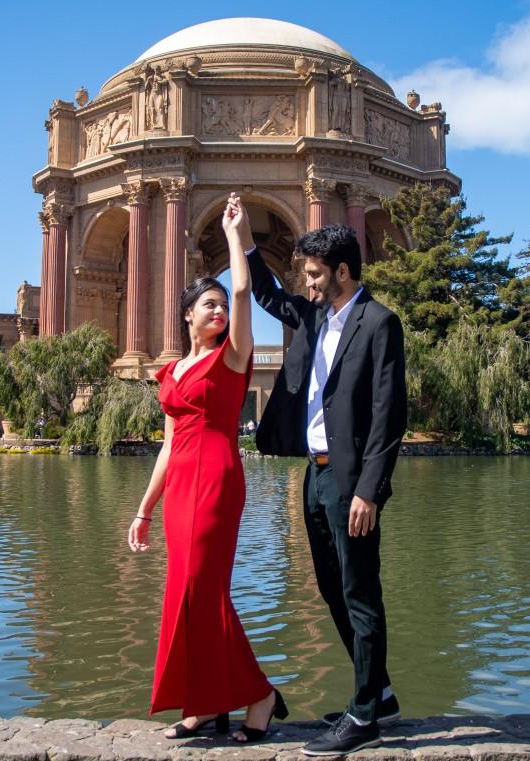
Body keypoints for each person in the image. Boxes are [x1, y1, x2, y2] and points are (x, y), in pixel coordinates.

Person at [128, 193, 287, 743]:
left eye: (222, 306)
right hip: (179, 487)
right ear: (188, 315)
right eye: (209, 305)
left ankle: (260, 695)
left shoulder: (232, 357)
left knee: (204, 588)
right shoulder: (171, 372)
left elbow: (242, 291)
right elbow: (168, 446)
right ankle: (203, 702)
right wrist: (144, 510)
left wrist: (238, 237)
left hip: (217, 479)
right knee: (183, 592)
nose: (219, 311)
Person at [245, 224, 407, 756]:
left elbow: (388, 415)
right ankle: (379, 695)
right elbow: (269, 296)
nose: (307, 283)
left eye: (314, 274)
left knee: (360, 591)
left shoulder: (379, 323)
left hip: (350, 480)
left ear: (342, 271)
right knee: (332, 588)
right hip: (314, 475)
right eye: (304, 275)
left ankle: (363, 716)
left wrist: (369, 491)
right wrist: (243, 240)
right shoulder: (315, 315)